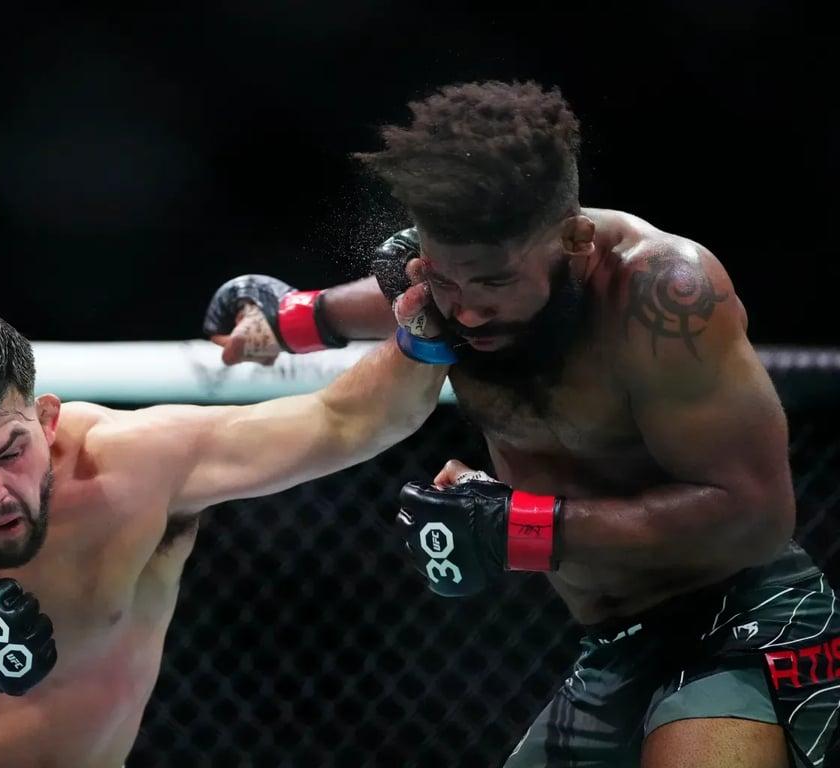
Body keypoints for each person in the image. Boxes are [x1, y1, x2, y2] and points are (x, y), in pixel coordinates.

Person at [202, 80, 839, 767]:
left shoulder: (664, 295)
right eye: (445, 280)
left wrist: (520, 526)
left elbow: (756, 513)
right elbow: (423, 288)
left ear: (573, 237)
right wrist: (294, 316)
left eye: (496, 284)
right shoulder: (450, 284)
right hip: (614, 645)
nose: (466, 312)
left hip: (745, 617)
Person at [0, 297, 447, 768]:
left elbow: (349, 422)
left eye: (10, 451)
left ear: (45, 418)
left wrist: (434, 307)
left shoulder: (133, 467)